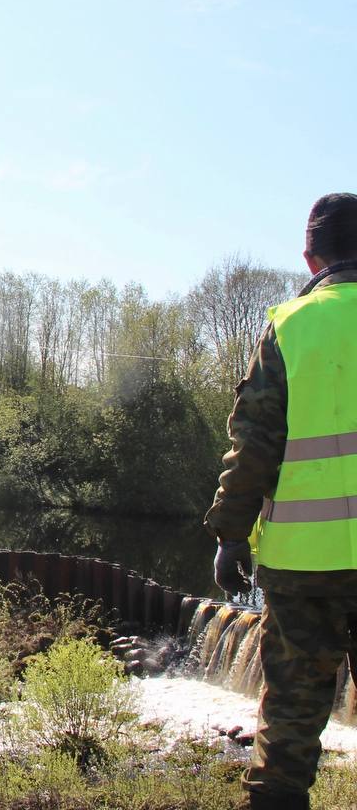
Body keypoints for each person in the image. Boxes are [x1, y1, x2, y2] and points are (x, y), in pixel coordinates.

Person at [205, 192, 357, 810]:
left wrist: (229, 534)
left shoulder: (292, 325)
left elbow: (255, 445)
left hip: (302, 568)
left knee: (290, 722)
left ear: (310, 254)